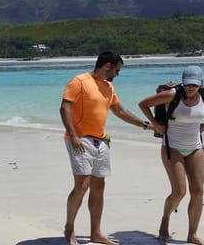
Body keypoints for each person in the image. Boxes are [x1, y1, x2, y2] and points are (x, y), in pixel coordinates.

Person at [59, 51, 152, 245]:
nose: (118, 74)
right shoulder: (79, 81)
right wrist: (74, 135)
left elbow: (119, 110)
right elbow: (65, 108)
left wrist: (145, 125)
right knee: (82, 185)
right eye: (117, 70)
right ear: (107, 66)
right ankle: (69, 228)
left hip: (101, 141)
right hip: (80, 139)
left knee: (99, 186)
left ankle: (96, 232)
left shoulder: (109, 87)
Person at [138, 65, 204, 244]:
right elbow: (143, 104)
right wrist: (156, 125)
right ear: (183, 82)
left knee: (198, 191)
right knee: (179, 191)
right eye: (188, 84)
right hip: (172, 146)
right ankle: (165, 218)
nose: (190, 88)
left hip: (196, 147)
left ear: (200, 84)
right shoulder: (171, 95)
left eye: (194, 85)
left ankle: (192, 234)